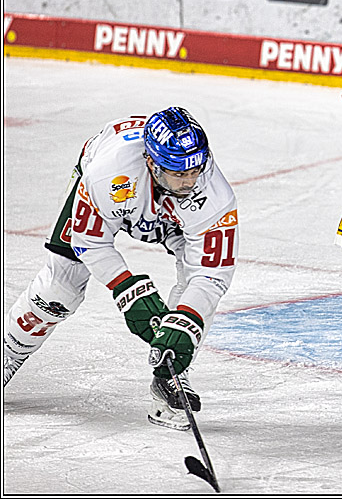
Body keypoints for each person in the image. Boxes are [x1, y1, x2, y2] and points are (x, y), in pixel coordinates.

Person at [3, 107, 238, 431]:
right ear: (152, 163)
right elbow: (89, 240)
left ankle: (170, 374)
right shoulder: (106, 171)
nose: (189, 182)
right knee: (61, 285)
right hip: (117, 198)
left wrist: (185, 323)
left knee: (194, 302)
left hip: (172, 219)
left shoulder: (214, 196)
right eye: (178, 173)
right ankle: (9, 352)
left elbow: (210, 274)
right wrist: (125, 288)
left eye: (195, 170)